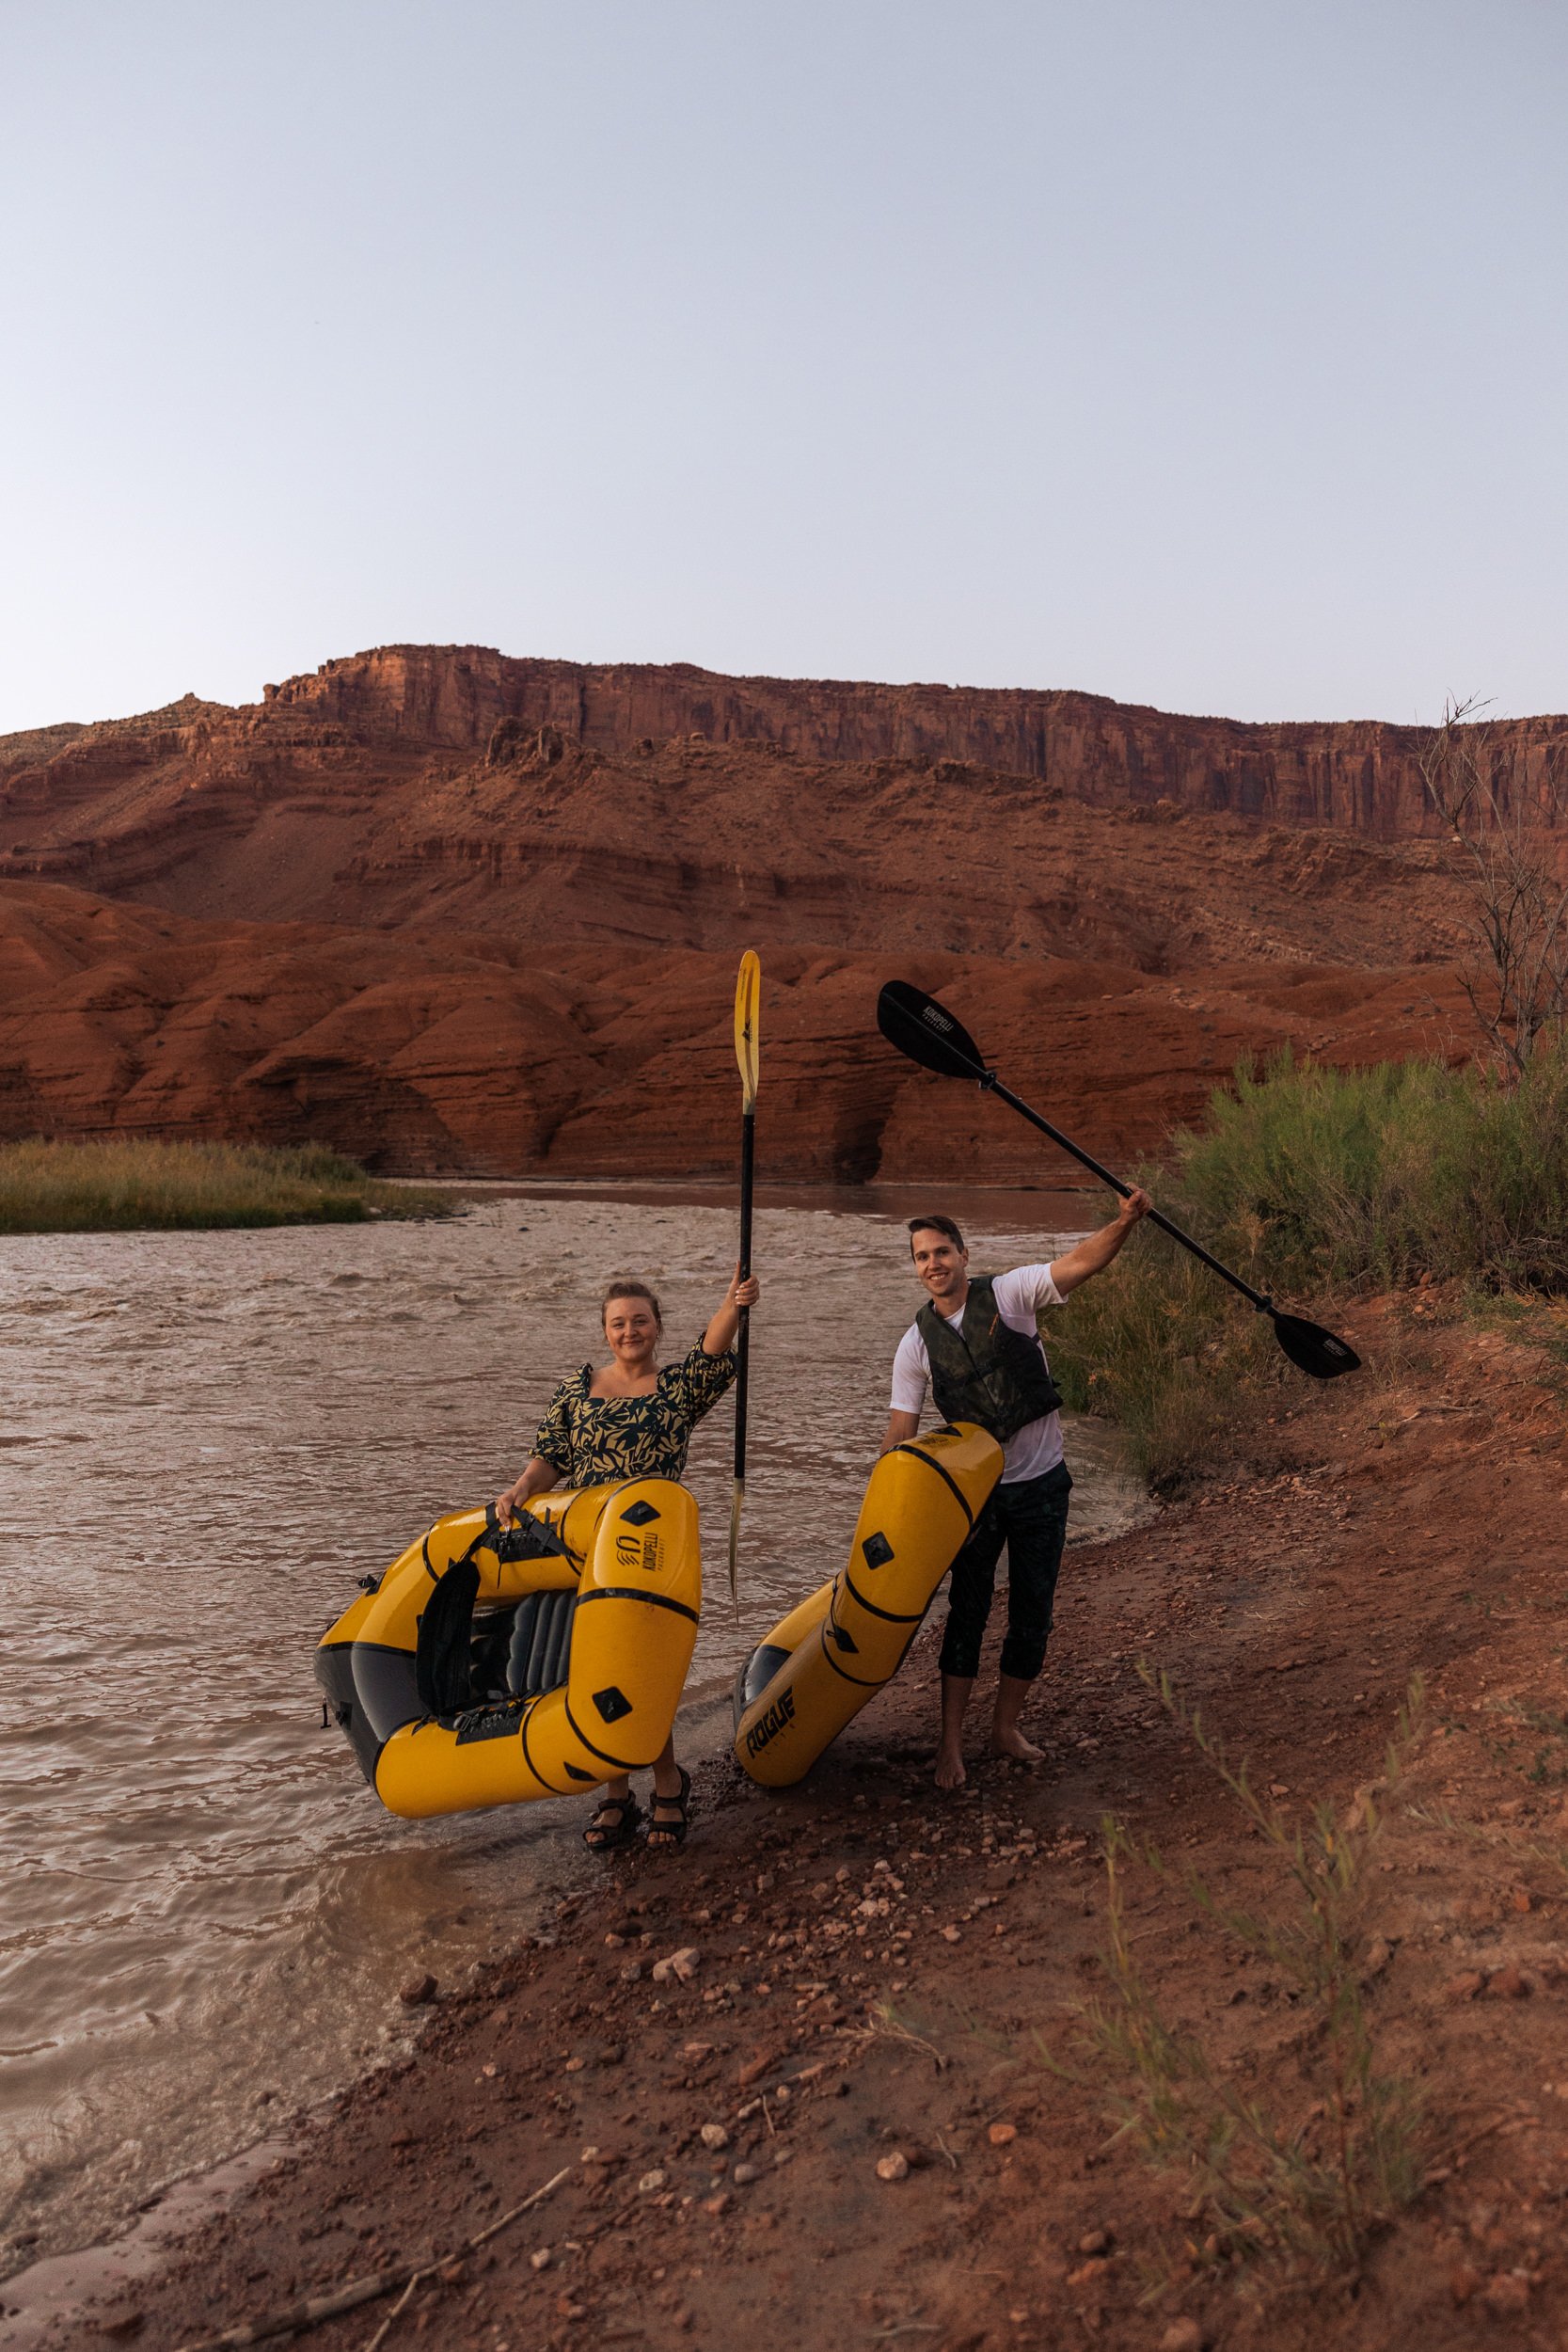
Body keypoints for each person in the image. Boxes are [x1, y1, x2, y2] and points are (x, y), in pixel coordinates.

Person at [879, 1200, 1150, 1789]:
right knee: (967, 1616)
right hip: (974, 1500)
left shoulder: (1010, 1294)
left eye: (941, 1252)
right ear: (916, 1268)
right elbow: (901, 1433)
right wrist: (883, 1507)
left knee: (1033, 1613)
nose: (933, 1263)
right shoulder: (914, 1345)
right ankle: (950, 1746)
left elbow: (1081, 1263)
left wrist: (1125, 1222)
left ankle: (1004, 1729)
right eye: (922, 1257)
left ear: (963, 1255)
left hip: (1042, 1485)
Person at [495, 1263, 759, 1851]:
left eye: (640, 1321)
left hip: (649, 1550)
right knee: (593, 1667)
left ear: (657, 1327)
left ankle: (667, 1783)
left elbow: (711, 1348)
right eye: (619, 1323)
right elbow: (547, 1460)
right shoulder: (577, 1387)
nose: (629, 1331)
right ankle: (616, 1791)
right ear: (605, 1331)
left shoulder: (677, 1390)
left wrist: (734, 1304)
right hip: (583, 1546)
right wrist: (518, 1489)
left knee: (641, 1668)